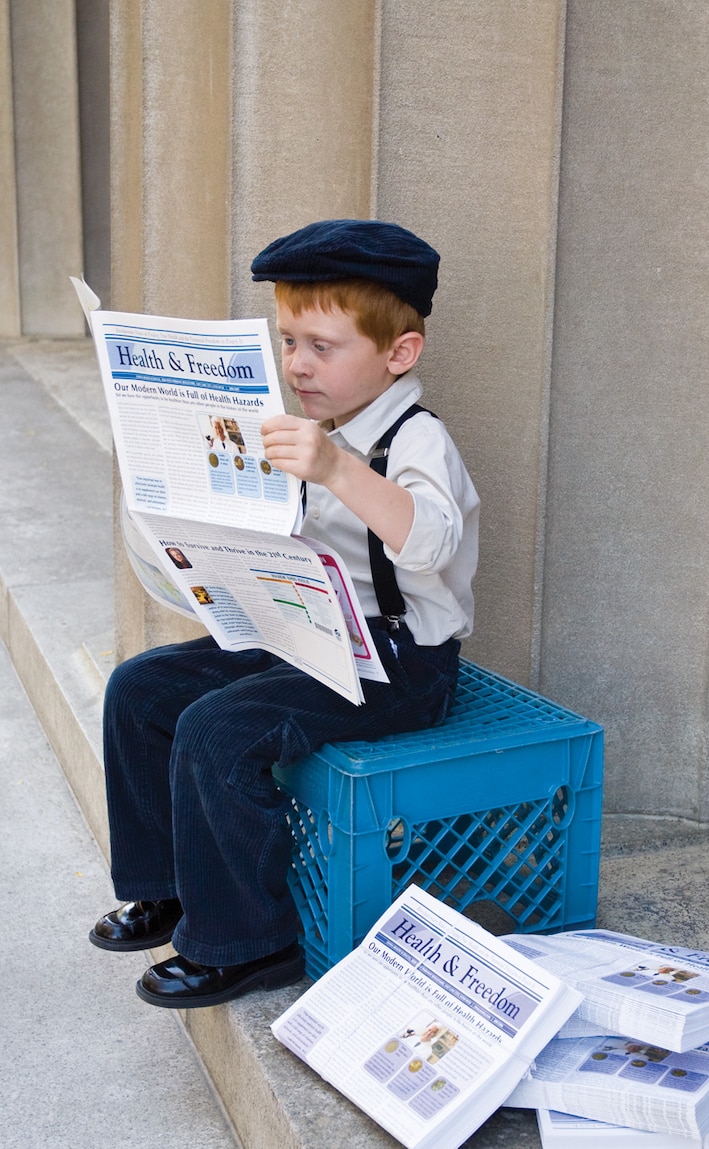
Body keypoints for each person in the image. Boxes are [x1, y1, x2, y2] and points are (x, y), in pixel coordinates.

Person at [89, 218, 480, 1009]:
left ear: (399, 353)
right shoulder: (313, 431)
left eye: (322, 346)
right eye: (288, 341)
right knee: (139, 689)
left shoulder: (414, 439)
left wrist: (335, 467)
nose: (298, 364)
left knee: (218, 729)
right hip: (305, 630)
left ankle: (250, 938)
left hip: (402, 662)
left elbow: (431, 541)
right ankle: (167, 884)